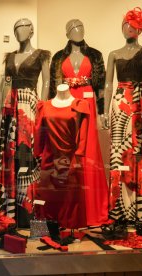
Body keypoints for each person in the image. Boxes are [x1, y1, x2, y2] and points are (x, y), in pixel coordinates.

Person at [102, 7, 142, 224]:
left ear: (140, 28)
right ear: (122, 27)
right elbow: (108, 84)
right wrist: (104, 111)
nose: (130, 28)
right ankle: (121, 208)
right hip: (121, 104)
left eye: (134, 25)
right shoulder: (114, 54)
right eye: (126, 24)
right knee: (121, 154)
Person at [0, 18, 51, 228]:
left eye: (22, 28)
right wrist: (1, 110)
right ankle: (12, 212)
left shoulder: (41, 55)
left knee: (27, 155)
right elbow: (7, 84)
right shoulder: (10, 57)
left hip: (30, 106)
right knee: (11, 156)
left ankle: (28, 214)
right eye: (15, 29)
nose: (18, 33)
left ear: (31, 30)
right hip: (11, 107)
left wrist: (42, 108)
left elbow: (46, 83)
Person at [49, 19, 108, 226]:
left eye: (81, 27)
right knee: (66, 152)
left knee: (89, 152)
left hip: (88, 103)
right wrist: (50, 114)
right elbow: (52, 87)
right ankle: (67, 210)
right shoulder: (58, 57)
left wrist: (102, 113)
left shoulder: (95, 55)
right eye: (74, 28)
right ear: (67, 33)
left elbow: (100, 86)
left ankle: (91, 210)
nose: (78, 31)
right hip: (66, 104)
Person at [34, 84, 90, 229]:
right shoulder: (44, 106)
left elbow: (83, 134)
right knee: (47, 195)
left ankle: (69, 229)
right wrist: (37, 152)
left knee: (69, 197)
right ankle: (44, 230)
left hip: (70, 157)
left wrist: (79, 154)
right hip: (49, 157)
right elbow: (39, 131)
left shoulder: (80, 105)